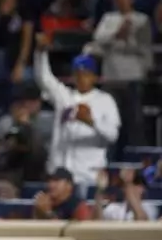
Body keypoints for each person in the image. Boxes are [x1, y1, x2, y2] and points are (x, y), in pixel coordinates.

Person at [34, 33, 120, 195]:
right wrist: (40, 53)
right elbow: (43, 79)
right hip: (59, 175)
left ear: (94, 77)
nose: (81, 77)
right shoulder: (64, 96)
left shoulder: (105, 101)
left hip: (87, 176)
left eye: (86, 73)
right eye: (77, 73)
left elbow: (113, 135)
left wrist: (91, 121)